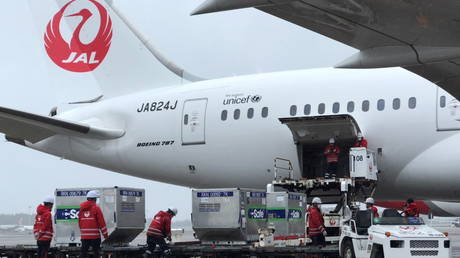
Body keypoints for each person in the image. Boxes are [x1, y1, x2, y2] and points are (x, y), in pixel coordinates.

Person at [78, 190, 109, 258]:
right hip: (95, 237)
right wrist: (105, 235)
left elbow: (79, 222)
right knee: (96, 253)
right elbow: (101, 223)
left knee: (83, 253)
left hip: (84, 237)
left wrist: (83, 232)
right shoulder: (96, 208)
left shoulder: (81, 209)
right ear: (94, 199)